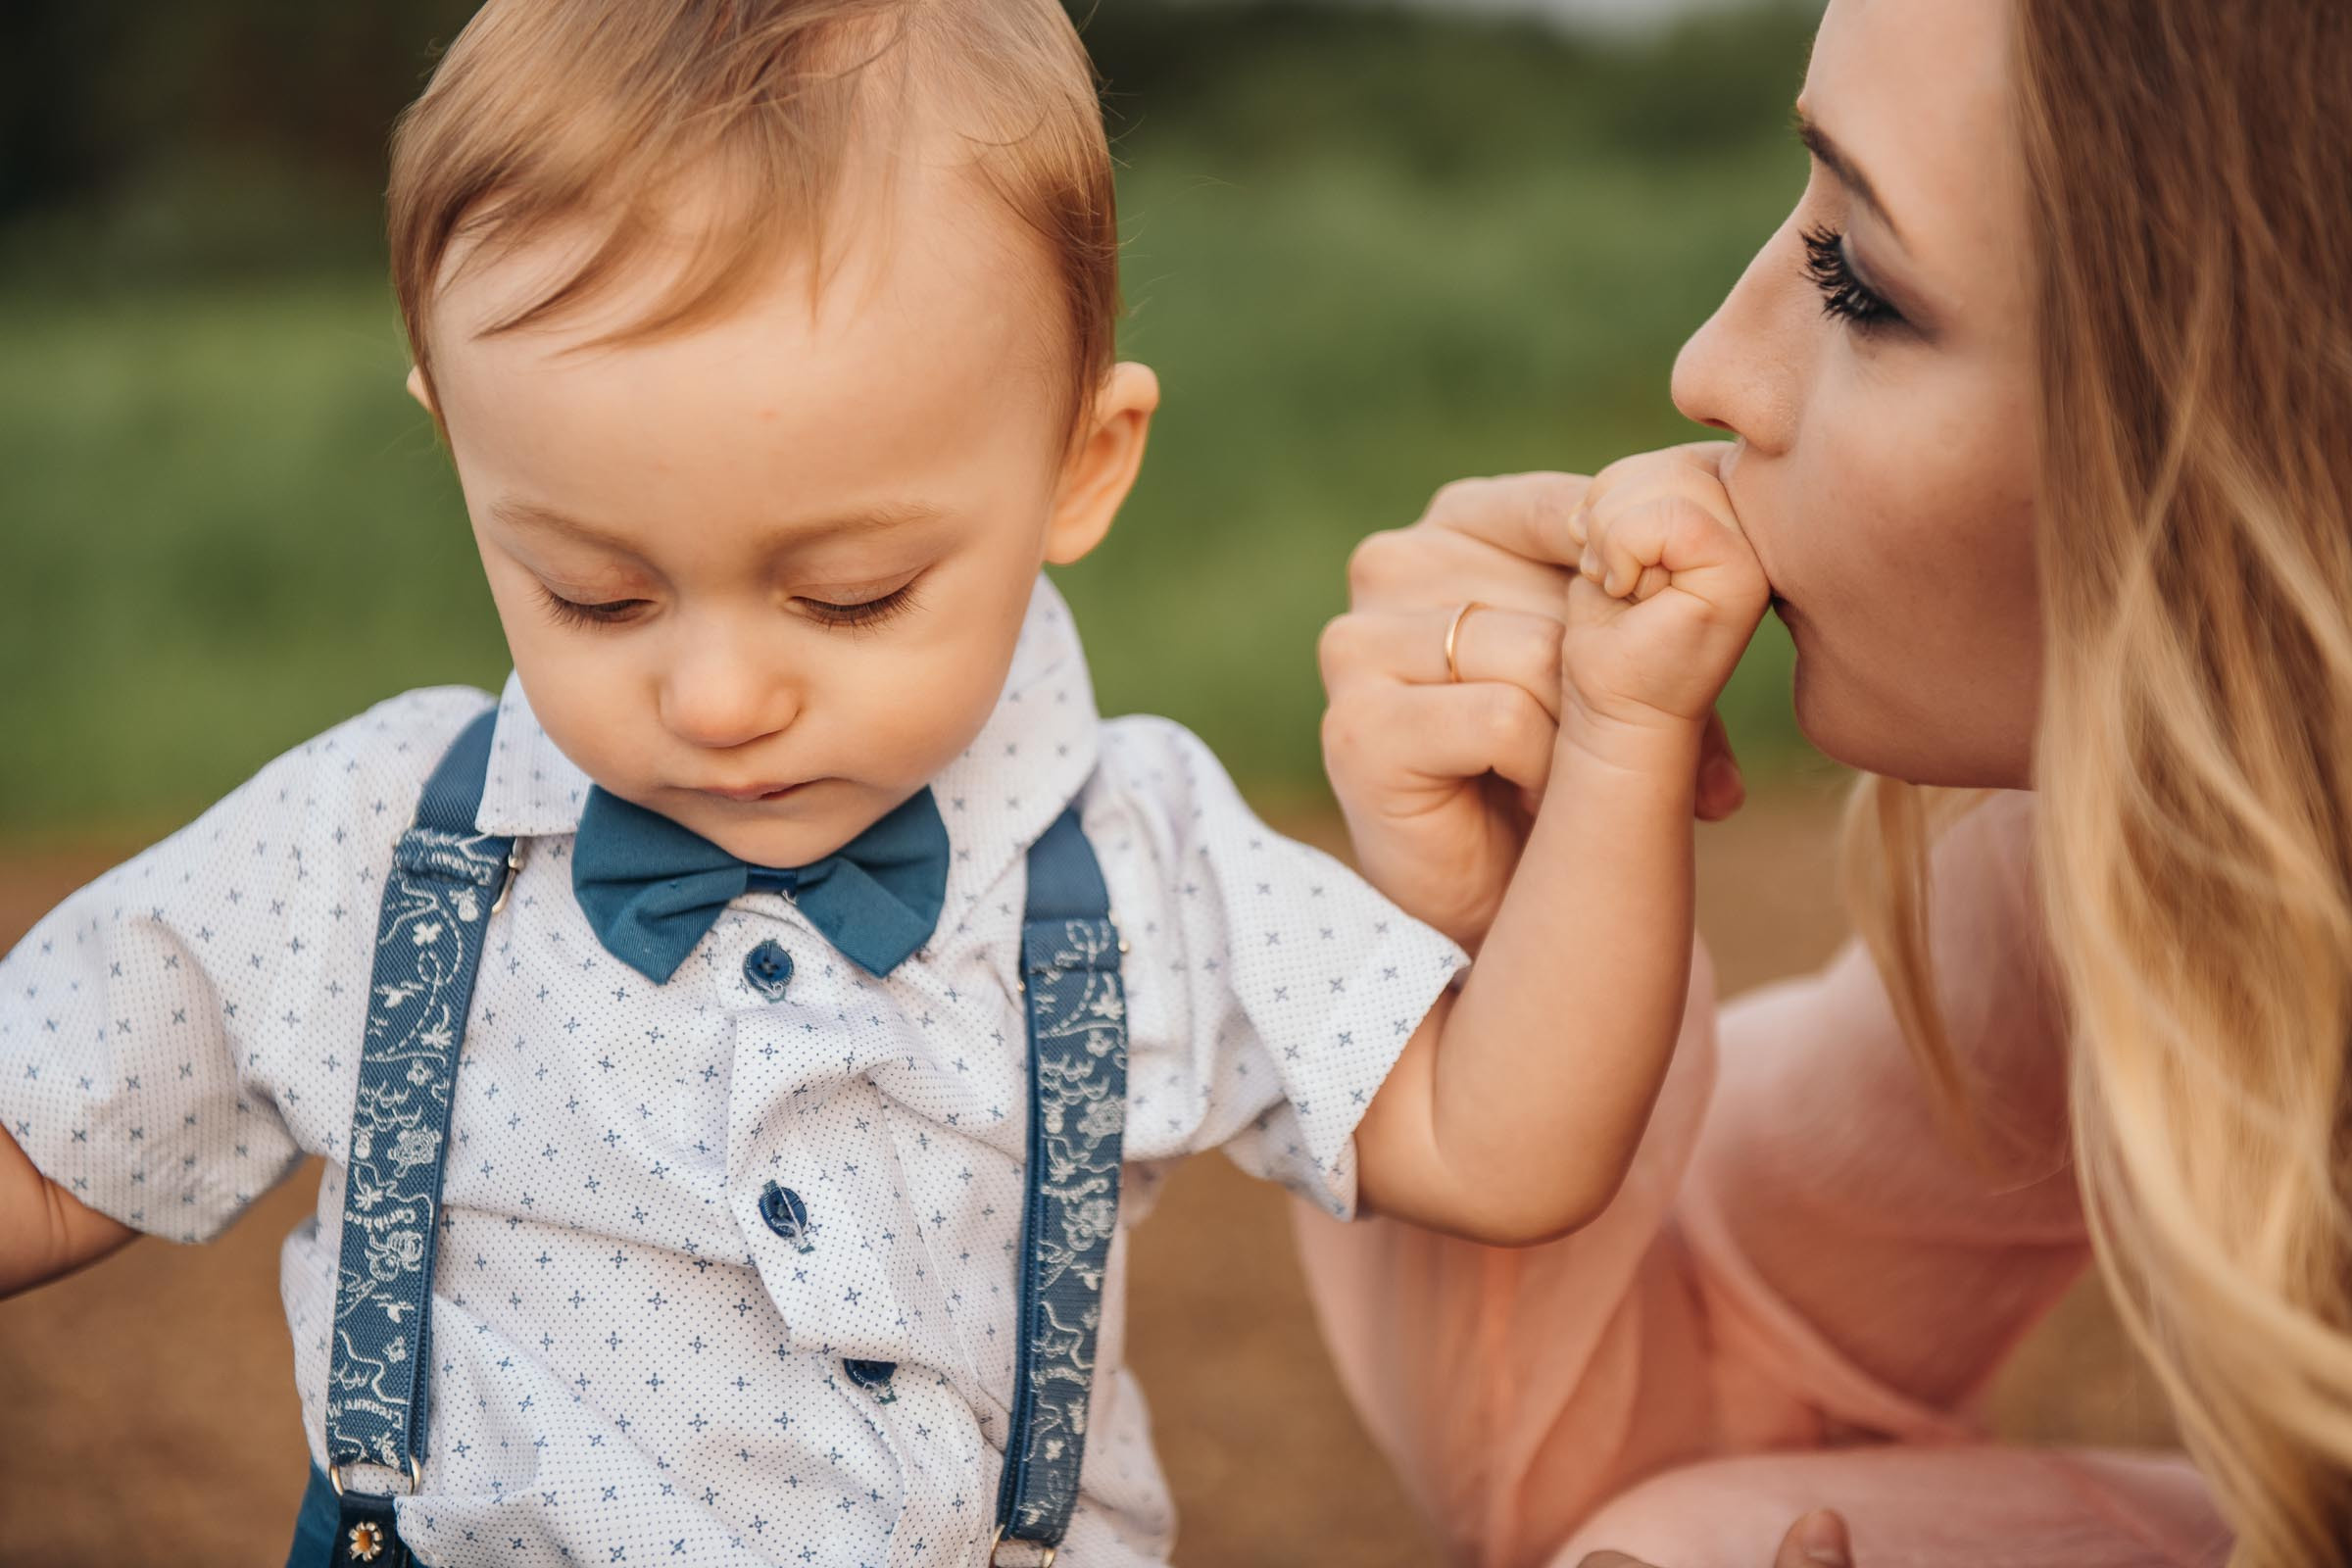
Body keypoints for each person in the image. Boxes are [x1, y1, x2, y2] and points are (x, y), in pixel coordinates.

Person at [2, 2, 1779, 1563]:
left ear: (1083, 463)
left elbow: (1509, 1138)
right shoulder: (375, 849)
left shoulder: (1130, 863)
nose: (716, 696)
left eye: (848, 593)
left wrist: (1618, 746)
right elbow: (52, 1127)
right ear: (459, 450)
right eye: (594, 593)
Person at [1305, 0, 2352, 1563]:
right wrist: (1515, 917)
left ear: (2270, 417)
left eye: (1859, 282)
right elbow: (1670, 1423)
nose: (1709, 370)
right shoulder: (2111, 858)